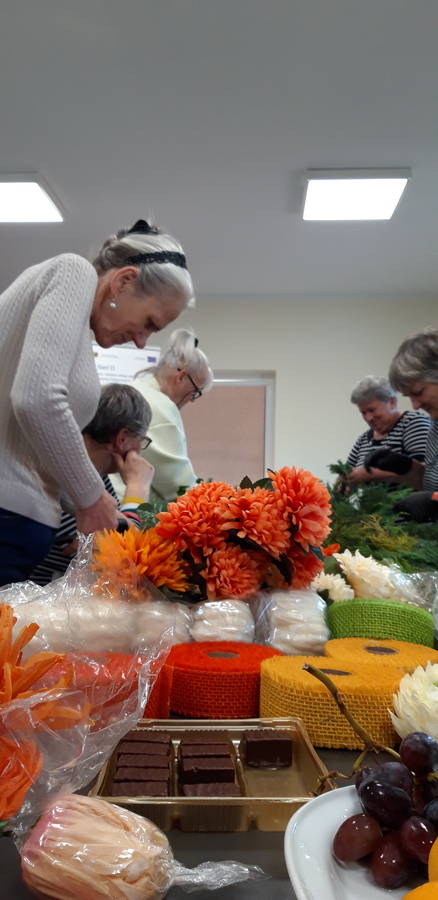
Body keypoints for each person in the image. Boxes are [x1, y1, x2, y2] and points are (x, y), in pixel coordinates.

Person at [0, 218, 194, 585]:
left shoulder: (78, 333)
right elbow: (37, 398)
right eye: (149, 323)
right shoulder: (73, 271)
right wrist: (93, 499)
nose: (141, 341)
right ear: (123, 281)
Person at [30, 383, 154, 585]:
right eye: (141, 439)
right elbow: (125, 559)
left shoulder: (94, 475)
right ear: (121, 438)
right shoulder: (71, 485)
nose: (140, 449)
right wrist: (137, 489)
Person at [111, 329, 213, 503]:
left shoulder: (135, 388)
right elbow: (180, 487)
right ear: (181, 378)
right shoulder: (160, 407)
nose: (192, 400)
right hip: (131, 514)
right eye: (195, 392)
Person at [365, 328, 438, 522]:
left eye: (418, 392)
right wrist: (406, 467)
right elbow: (433, 483)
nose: (415, 405)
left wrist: (434, 501)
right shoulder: (435, 428)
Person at [346, 375, 430, 488]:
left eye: (372, 410)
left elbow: (425, 475)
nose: (368, 418)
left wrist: (371, 475)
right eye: (363, 413)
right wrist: (345, 484)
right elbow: (345, 471)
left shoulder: (413, 423)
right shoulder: (364, 439)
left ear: (391, 402)